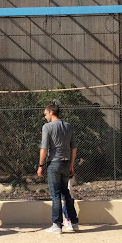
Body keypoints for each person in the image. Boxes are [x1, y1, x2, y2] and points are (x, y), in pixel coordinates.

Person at [37, 100, 79, 234]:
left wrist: (40, 165)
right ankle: (74, 222)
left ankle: (57, 224)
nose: (45, 117)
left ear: (51, 112)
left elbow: (44, 148)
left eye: (45, 114)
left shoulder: (47, 127)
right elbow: (74, 148)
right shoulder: (68, 126)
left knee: (55, 195)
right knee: (66, 193)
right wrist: (71, 164)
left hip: (54, 163)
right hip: (66, 163)